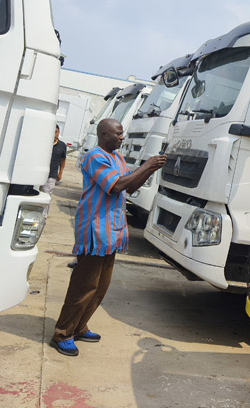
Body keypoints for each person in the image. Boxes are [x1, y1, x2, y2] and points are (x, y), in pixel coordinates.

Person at [49, 118, 167, 357]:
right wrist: (146, 165)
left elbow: (130, 186)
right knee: (84, 286)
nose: (122, 137)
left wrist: (150, 169)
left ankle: (79, 327)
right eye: (118, 134)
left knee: (100, 287)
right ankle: (62, 333)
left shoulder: (117, 158)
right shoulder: (95, 156)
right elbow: (115, 186)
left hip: (112, 233)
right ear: (104, 135)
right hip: (95, 232)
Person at [41, 125, 67, 194]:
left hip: (52, 175)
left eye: (56, 132)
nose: (54, 134)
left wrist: (60, 173)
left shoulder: (62, 145)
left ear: (59, 133)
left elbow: (63, 160)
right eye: (53, 132)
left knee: (46, 194)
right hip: (40, 173)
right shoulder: (43, 143)